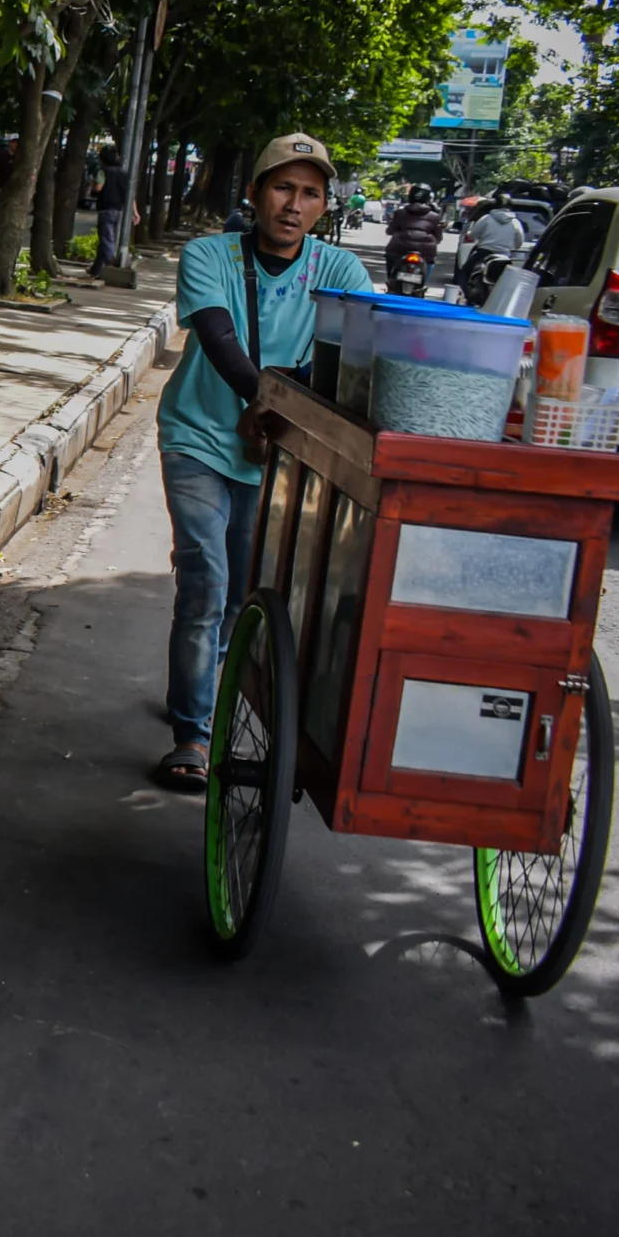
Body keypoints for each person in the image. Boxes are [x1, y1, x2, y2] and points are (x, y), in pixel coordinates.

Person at [153, 131, 376, 791]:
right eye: (283, 187)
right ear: (254, 193)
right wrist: (264, 396)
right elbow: (218, 338)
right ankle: (192, 734)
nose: (293, 204)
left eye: (310, 193)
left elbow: (352, 355)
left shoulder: (339, 272)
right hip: (197, 436)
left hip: (276, 452)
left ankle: (199, 687)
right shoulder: (208, 254)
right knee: (206, 579)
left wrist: (280, 408)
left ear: (323, 206)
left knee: (242, 593)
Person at [383, 184, 443, 275]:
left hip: (398, 248)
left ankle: (390, 281)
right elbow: (438, 237)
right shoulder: (435, 216)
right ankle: (423, 284)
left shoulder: (399, 213)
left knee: (390, 258)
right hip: (426, 251)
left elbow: (390, 230)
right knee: (429, 262)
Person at [89, 144, 129, 276]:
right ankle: (96, 269)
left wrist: (93, 186)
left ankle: (111, 264)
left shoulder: (103, 171)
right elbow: (129, 194)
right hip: (118, 209)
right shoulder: (123, 173)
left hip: (105, 208)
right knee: (107, 239)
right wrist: (135, 212)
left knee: (106, 239)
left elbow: (98, 188)